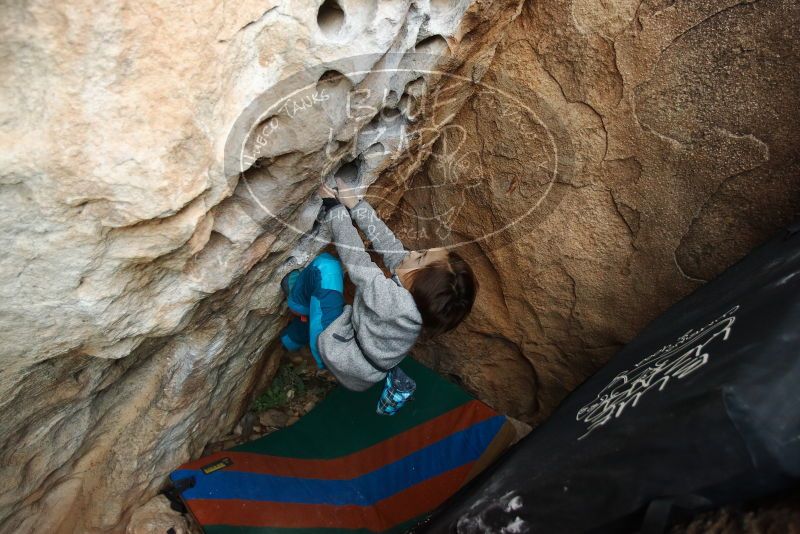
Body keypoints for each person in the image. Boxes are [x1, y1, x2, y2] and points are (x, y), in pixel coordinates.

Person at [278, 178, 478, 411]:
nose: (412, 251)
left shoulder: (394, 303)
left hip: (338, 355)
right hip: (359, 366)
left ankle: (296, 299)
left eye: (421, 256)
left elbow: (356, 258)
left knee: (326, 267)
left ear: (420, 283)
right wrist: (357, 205)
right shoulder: (417, 298)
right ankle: (291, 340)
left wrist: (335, 209)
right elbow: (389, 244)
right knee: (327, 310)